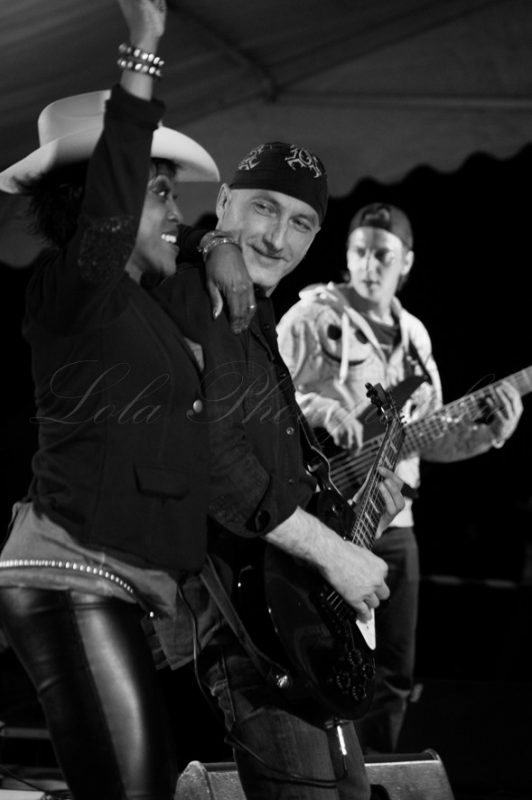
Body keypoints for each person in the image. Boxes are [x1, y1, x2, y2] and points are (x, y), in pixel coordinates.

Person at [0, 2, 256, 799]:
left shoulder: (152, 302)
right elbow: (110, 219)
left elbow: (233, 302)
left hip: (134, 594)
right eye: (160, 194)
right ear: (97, 206)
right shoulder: (74, 290)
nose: (178, 212)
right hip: (73, 579)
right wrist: (143, 49)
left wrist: (220, 242)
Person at [139, 148, 406, 800]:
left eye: (300, 223)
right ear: (223, 201)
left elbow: (279, 475)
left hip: (287, 618)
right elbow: (214, 460)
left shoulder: (255, 314)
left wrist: (354, 514)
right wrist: (335, 556)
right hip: (238, 622)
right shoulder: (196, 295)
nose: (276, 238)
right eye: (263, 207)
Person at [276, 201, 524, 754]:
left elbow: (430, 435)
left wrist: (491, 433)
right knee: (322, 658)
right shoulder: (310, 317)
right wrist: (323, 410)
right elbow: (267, 397)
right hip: (329, 516)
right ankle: (322, 771)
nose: (369, 265)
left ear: (406, 262)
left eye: (382, 256)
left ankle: (379, 774)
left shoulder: (414, 336)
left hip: (396, 519)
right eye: (360, 252)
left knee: (392, 667)